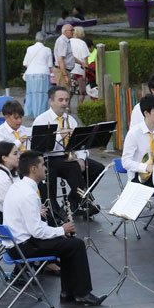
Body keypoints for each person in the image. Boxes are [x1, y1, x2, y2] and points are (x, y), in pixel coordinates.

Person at [2, 151, 106, 306]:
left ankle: (69, 291)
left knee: (68, 243)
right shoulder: (29, 194)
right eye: (43, 165)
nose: (46, 169)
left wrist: (58, 233)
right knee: (76, 245)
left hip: (17, 244)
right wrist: (61, 230)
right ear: (33, 169)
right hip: (24, 247)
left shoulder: (18, 186)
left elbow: (31, 225)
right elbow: (36, 231)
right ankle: (82, 293)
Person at [32, 86, 105, 216]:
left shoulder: (70, 119)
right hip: (50, 158)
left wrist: (82, 159)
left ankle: (74, 198)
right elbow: (39, 147)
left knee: (98, 168)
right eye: (60, 100)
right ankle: (83, 202)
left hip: (69, 156)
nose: (64, 103)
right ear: (51, 101)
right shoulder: (41, 120)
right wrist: (60, 136)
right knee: (72, 167)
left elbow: (81, 144)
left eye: (66, 100)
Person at [121, 94, 154, 187]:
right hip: (140, 177)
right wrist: (146, 167)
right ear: (146, 113)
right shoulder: (134, 133)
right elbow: (125, 162)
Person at [22, 32, 53, 116]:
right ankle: (41, 113)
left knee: (31, 93)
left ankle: (31, 111)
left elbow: (25, 63)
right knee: (42, 95)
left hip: (31, 74)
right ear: (44, 40)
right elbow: (50, 65)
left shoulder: (29, 49)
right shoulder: (47, 50)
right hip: (43, 73)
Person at [70, 27, 91, 101]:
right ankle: (79, 108)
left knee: (69, 91)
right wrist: (85, 73)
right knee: (81, 92)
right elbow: (85, 59)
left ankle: (67, 107)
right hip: (79, 71)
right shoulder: (82, 43)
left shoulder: (68, 41)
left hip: (69, 70)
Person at [52, 24, 74, 89]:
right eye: (71, 30)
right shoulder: (62, 41)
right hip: (62, 71)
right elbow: (60, 60)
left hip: (64, 70)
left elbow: (69, 57)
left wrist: (81, 63)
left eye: (73, 30)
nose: (73, 32)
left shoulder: (66, 41)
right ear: (65, 31)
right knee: (63, 94)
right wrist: (65, 76)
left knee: (66, 93)